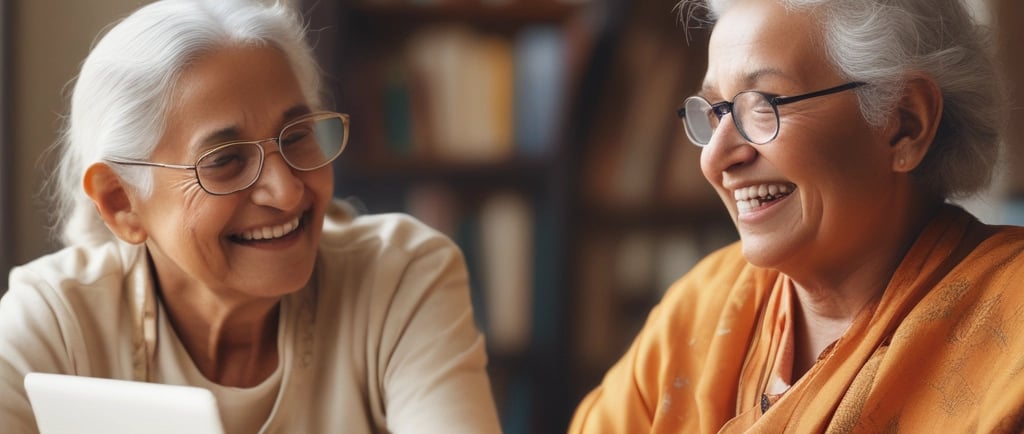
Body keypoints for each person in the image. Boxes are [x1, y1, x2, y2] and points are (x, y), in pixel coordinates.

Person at [0, 1, 502, 433]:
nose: (287, 192)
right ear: (120, 202)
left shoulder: (401, 279)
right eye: (225, 160)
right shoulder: (54, 323)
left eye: (297, 136)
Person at [570, 0, 1024, 432]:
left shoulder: (1011, 330)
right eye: (717, 112)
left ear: (906, 123)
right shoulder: (700, 310)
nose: (715, 158)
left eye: (764, 104)